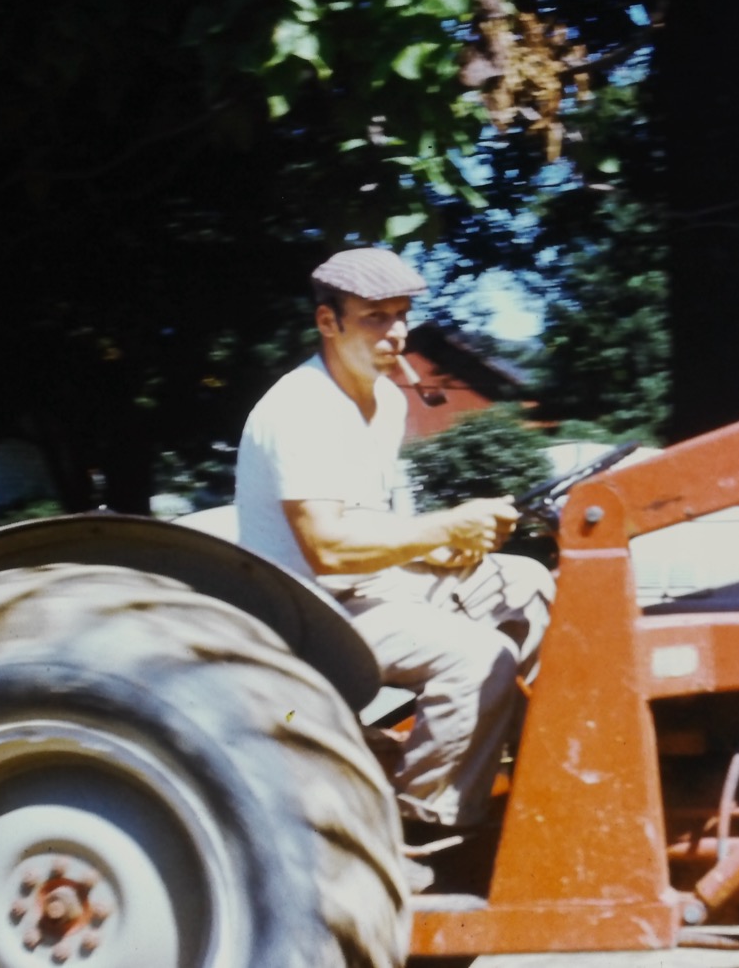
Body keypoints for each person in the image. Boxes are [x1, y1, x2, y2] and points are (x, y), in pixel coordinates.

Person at [235, 247, 552, 837]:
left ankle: (527, 769)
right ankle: (423, 825)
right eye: (375, 317)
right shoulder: (299, 411)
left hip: (371, 586)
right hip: (312, 612)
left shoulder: (382, 400)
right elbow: (326, 549)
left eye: (402, 315)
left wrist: (443, 547)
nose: (396, 332)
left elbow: (375, 521)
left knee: (529, 584)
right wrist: (443, 529)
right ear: (326, 322)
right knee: (479, 658)